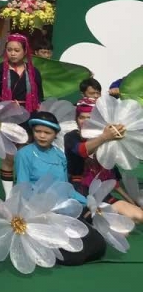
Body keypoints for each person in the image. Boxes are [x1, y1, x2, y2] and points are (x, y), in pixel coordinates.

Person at [14, 111, 107, 265]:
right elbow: (22, 189)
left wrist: (87, 201)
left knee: (98, 245)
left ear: (55, 134)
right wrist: (39, 211)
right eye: (38, 131)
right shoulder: (24, 154)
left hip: (64, 210)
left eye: (47, 132)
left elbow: (66, 187)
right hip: (40, 215)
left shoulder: (59, 155)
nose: (42, 136)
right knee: (74, 258)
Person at [0, 33, 44, 198]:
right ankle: (9, 195)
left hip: (29, 117)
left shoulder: (33, 72)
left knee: (25, 158)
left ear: (25, 51)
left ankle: (24, 192)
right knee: (9, 157)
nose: (12, 53)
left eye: (17, 50)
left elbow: (39, 98)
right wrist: (7, 107)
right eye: (9, 49)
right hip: (7, 120)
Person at [65, 99, 143, 223]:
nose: (85, 121)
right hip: (79, 192)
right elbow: (82, 151)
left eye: (89, 118)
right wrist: (105, 137)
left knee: (139, 216)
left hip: (101, 193)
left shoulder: (105, 138)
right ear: (76, 119)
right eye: (81, 117)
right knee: (121, 231)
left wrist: (131, 201)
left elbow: (111, 178)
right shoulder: (71, 137)